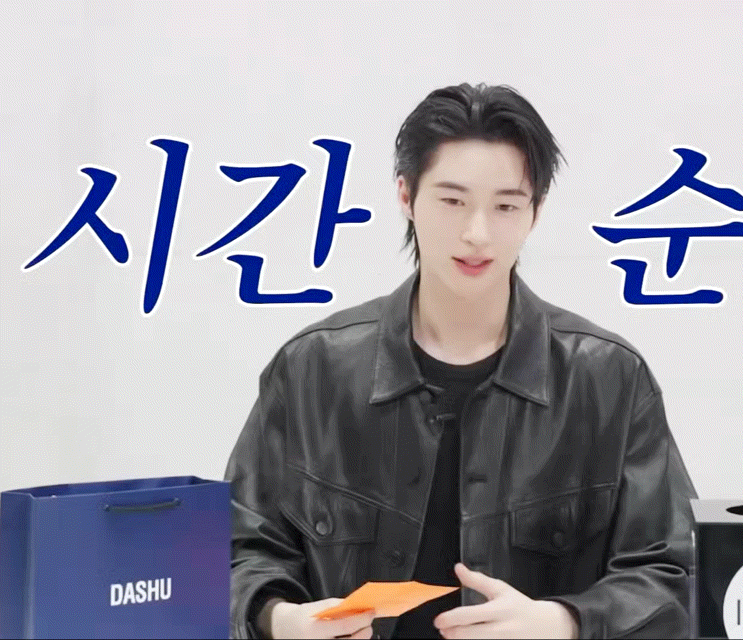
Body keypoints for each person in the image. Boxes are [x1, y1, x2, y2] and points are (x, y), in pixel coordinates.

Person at [225, 83, 698, 640]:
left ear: (535, 212)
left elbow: (676, 576)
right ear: (406, 196)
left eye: (506, 206)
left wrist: (564, 623)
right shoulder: (312, 370)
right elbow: (234, 553)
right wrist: (282, 621)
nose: (478, 234)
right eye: (452, 202)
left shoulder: (608, 379)